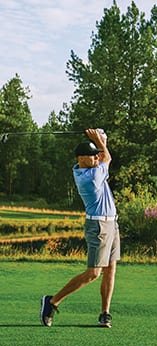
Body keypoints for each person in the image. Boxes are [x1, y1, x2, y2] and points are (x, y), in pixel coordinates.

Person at [40, 128, 120, 328]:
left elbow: (103, 155)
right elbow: (107, 157)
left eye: (96, 155)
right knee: (94, 273)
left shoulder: (92, 168)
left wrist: (101, 139)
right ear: (81, 158)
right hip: (99, 225)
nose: (97, 157)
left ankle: (105, 313)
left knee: (110, 269)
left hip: (112, 223)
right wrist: (99, 140)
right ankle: (52, 302)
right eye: (92, 156)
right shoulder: (89, 177)